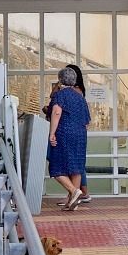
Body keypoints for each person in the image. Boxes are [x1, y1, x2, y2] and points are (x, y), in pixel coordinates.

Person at [47, 66, 90, 210]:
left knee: (56, 167)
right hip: (81, 135)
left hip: (64, 133)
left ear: (60, 80)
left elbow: (56, 112)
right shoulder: (80, 97)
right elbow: (87, 122)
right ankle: (73, 202)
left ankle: (74, 191)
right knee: (76, 168)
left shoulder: (61, 94)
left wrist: (52, 132)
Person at [63, 63, 92, 203]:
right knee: (77, 164)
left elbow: (57, 110)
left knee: (73, 165)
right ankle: (75, 194)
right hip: (78, 132)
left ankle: (77, 192)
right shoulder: (78, 93)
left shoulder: (74, 92)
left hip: (70, 132)